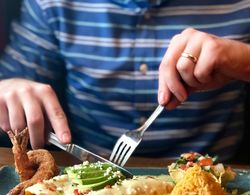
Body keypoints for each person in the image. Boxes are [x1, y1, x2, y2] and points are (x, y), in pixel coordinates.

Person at [0, 0, 250, 161]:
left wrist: (243, 60)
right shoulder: (50, 4)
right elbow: (13, 80)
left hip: (220, 184)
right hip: (86, 187)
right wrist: (7, 88)